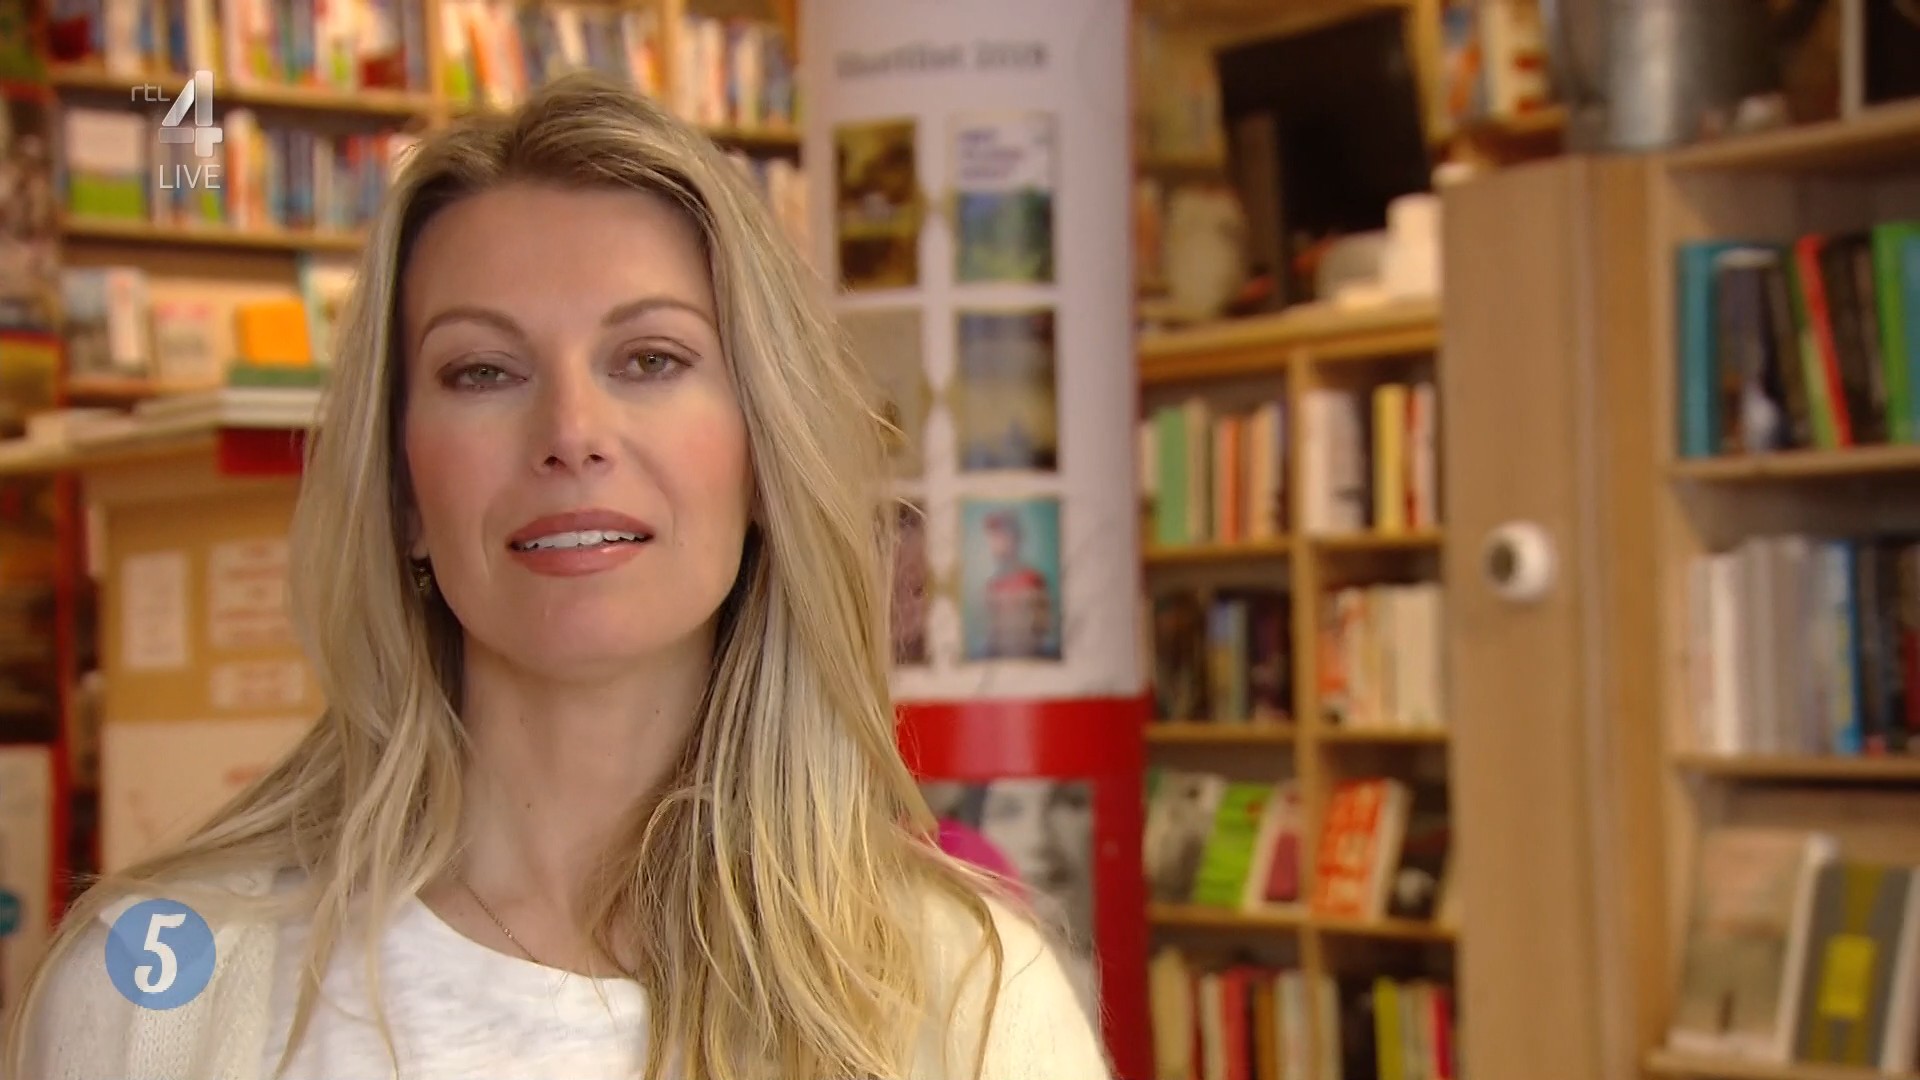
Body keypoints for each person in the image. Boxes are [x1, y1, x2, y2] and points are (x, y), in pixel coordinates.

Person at [4, 73, 1111, 1080]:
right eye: (484, 371)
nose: (572, 433)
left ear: (761, 457)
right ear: (401, 489)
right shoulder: (161, 988)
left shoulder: (972, 1003)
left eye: (651, 359)